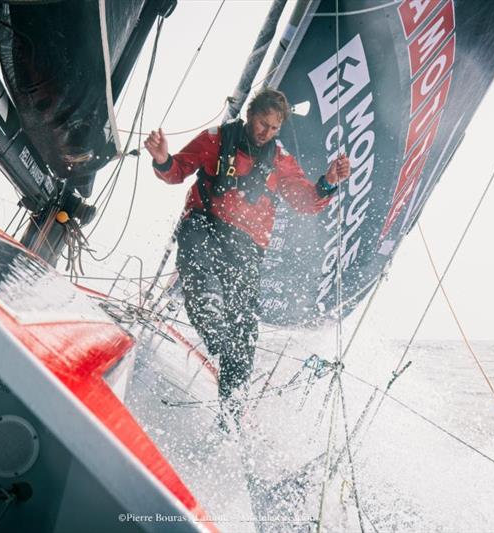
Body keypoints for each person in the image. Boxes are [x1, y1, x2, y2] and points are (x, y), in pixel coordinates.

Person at [144, 88, 349, 428]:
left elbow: (305, 201)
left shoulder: (281, 161)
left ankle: (232, 412)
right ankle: (213, 323)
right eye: (261, 123)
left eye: (273, 128)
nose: (265, 132)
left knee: (243, 331)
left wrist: (327, 182)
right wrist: (163, 158)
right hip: (204, 224)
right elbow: (176, 171)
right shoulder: (215, 139)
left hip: (246, 246)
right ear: (250, 116)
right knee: (196, 263)